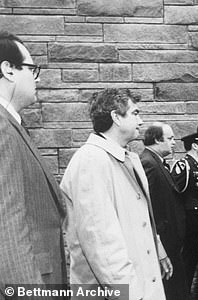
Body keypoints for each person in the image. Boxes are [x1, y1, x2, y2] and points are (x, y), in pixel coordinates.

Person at [60, 88, 171, 300]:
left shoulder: (127, 158)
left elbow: (138, 220)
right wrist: (130, 295)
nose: (141, 121)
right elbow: (101, 242)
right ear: (115, 117)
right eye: (135, 113)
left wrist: (157, 248)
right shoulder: (91, 161)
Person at [0, 31, 67, 289]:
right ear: (9, 70)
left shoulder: (11, 126)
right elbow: (7, 224)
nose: (37, 77)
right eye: (31, 68)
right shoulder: (3, 130)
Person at [141, 123, 188, 300]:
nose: (174, 143)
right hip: (164, 243)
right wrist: (160, 242)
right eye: (170, 139)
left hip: (171, 242)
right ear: (156, 140)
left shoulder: (157, 162)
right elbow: (148, 205)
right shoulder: (148, 163)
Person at [171, 132, 198, 300]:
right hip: (192, 219)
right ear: (195, 145)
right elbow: (175, 192)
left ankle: (190, 293)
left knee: (191, 257)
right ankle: (197, 293)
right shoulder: (184, 165)